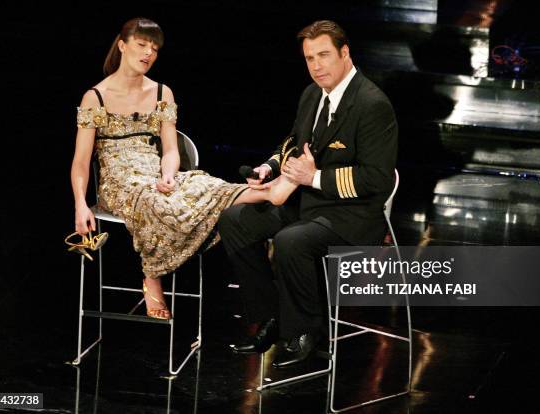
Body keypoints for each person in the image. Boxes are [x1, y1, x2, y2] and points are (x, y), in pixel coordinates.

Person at [70, 17, 296, 320]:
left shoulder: (163, 92)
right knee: (152, 201)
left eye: (154, 48)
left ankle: (270, 191)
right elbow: (81, 161)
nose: (148, 53)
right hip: (119, 182)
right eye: (141, 45)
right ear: (122, 46)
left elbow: (171, 149)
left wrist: (168, 173)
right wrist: (80, 205)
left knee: (202, 184)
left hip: (154, 170)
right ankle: (151, 277)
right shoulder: (94, 96)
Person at [219, 20, 398, 367]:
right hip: (308, 203)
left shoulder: (372, 104)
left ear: (345, 53)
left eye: (324, 55)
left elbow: (377, 180)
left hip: (352, 215)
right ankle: (271, 317)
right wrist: (270, 167)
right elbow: (293, 142)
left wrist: (313, 177)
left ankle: (304, 332)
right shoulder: (312, 94)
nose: (316, 66)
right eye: (309, 58)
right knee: (235, 219)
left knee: (291, 240)